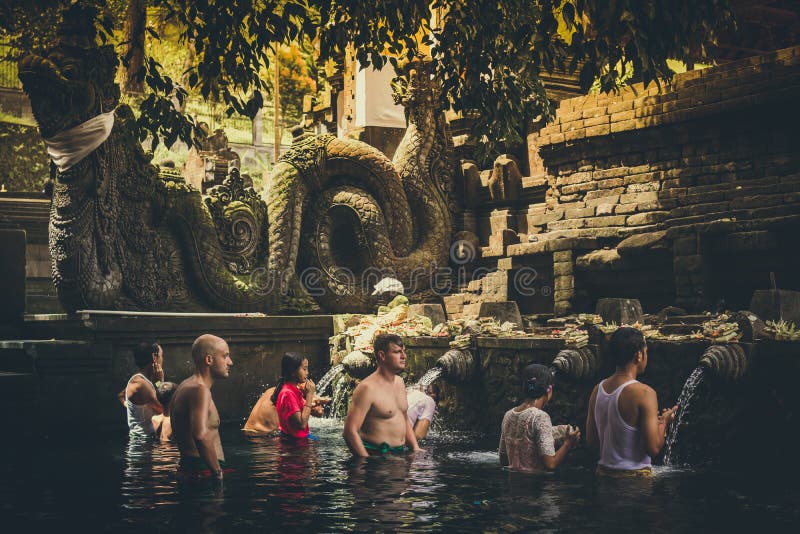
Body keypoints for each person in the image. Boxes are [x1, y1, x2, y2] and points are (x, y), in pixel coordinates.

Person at [585, 327, 677, 478]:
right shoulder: (645, 393)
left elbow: (592, 441)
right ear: (639, 355)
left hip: (603, 476)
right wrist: (664, 423)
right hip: (635, 481)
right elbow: (653, 448)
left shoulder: (597, 390)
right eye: (646, 352)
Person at [343, 333, 422, 456]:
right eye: (397, 352)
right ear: (382, 355)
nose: (404, 356)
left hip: (400, 456)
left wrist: (416, 449)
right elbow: (349, 432)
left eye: (404, 351)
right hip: (377, 458)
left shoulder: (400, 383)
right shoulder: (367, 388)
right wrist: (366, 461)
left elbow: (404, 418)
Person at [171, 334, 233, 481]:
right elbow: (200, 434)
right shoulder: (200, 390)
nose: (230, 362)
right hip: (203, 471)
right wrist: (217, 472)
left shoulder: (185, 385)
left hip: (194, 468)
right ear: (209, 360)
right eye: (225, 356)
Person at [499, 364, 581, 473]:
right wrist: (567, 443)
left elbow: (503, 459)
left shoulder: (508, 415)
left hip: (513, 485)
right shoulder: (540, 417)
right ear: (549, 389)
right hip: (535, 485)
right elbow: (551, 464)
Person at [272, 352, 325, 439]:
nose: (307, 373)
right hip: (294, 445)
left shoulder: (294, 390)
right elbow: (302, 424)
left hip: (298, 439)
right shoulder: (288, 394)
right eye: (304, 369)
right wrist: (309, 395)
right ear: (293, 372)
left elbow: (317, 413)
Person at [118, 341, 165, 437]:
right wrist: (161, 381)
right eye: (161, 356)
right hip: (144, 444)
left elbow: (121, 395)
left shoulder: (141, 380)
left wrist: (133, 408)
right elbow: (165, 409)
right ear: (154, 357)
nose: (162, 359)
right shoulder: (141, 384)